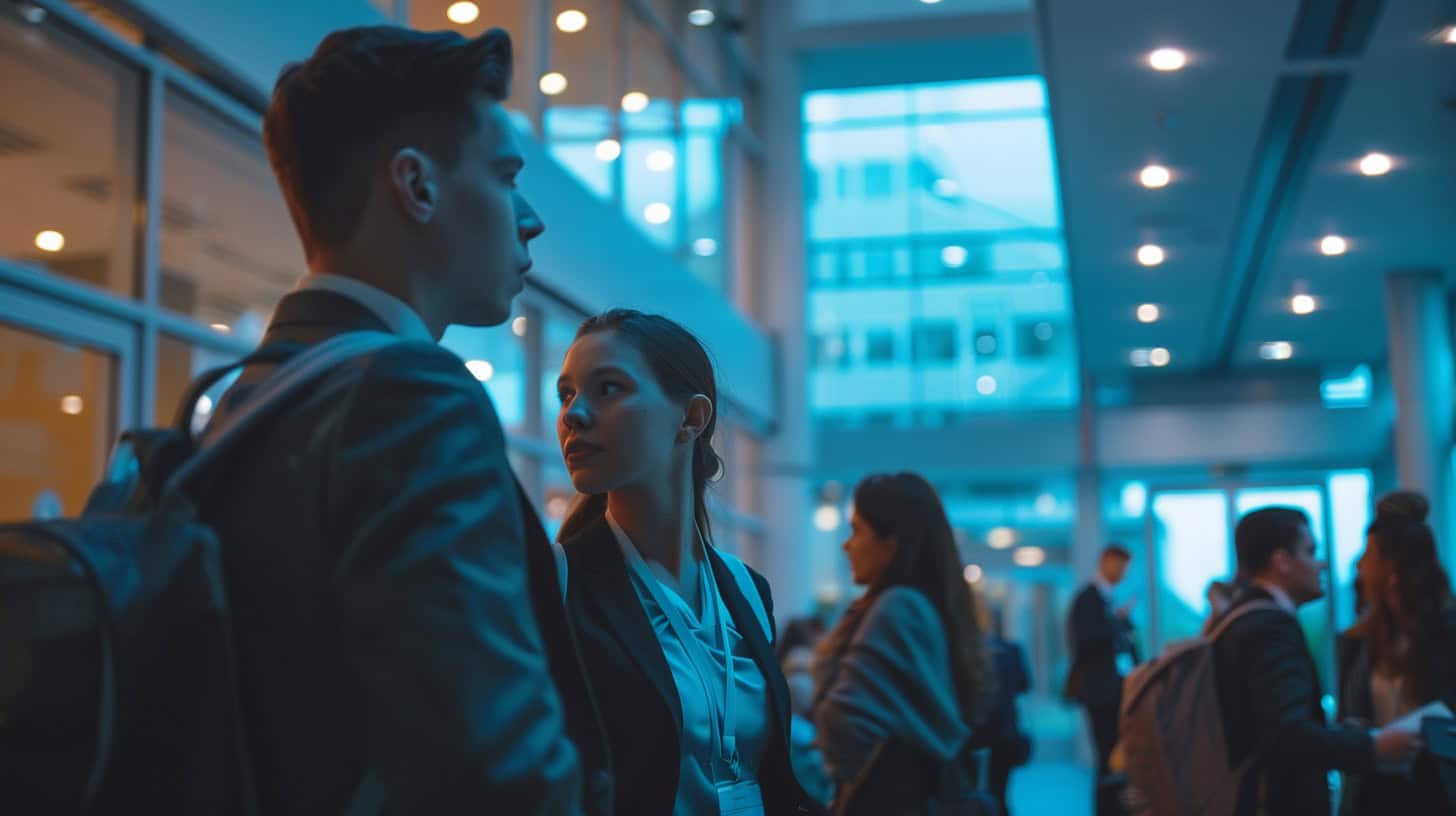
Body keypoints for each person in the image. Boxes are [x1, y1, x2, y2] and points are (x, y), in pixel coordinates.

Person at [202, 25, 607, 814]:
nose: (530, 219)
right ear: (415, 187)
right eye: (503, 176)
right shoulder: (410, 398)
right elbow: (494, 768)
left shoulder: (246, 400)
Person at [553, 309, 821, 815]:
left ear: (691, 418)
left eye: (608, 388)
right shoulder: (559, 580)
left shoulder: (746, 589)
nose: (573, 414)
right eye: (566, 394)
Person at [1212, 507, 1423, 815]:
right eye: (1311, 551)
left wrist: (1338, 733)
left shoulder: (1241, 619)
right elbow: (1287, 736)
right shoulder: (1269, 627)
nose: (1321, 563)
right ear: (1282, 562)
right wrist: (1374, 747)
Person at [811, 472, 995, 815]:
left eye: (857, 530)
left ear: (890, 544)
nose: (846, 545)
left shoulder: (897, 608)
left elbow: (844, 724)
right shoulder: (926, 607)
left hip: (885, 798)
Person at [1338, 497, 1456, 814]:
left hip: (1439, 791)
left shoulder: (1447, 637)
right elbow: (1348, 718)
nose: (1360, 565)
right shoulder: (1356, 642)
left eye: (1368, 555)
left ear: (1393, 569)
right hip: (1373, 795)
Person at [1063, 544, 1139, 815]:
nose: (1123, 574)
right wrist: (1116, 623)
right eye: (1120, 567)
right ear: (1106, 562)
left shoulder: (1107, 599)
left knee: (1116, 757)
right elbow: (1084, 643)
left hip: (1115, 689)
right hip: (1101, 692)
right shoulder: (1089, 599)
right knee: (1108, 757)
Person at [975, 605, 1032, 816]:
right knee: (1000, 793)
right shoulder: (1012, 650)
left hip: (979, 735)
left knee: (983, 792)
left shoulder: (969, 654)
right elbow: (1025, 686)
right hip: (1006, 732)